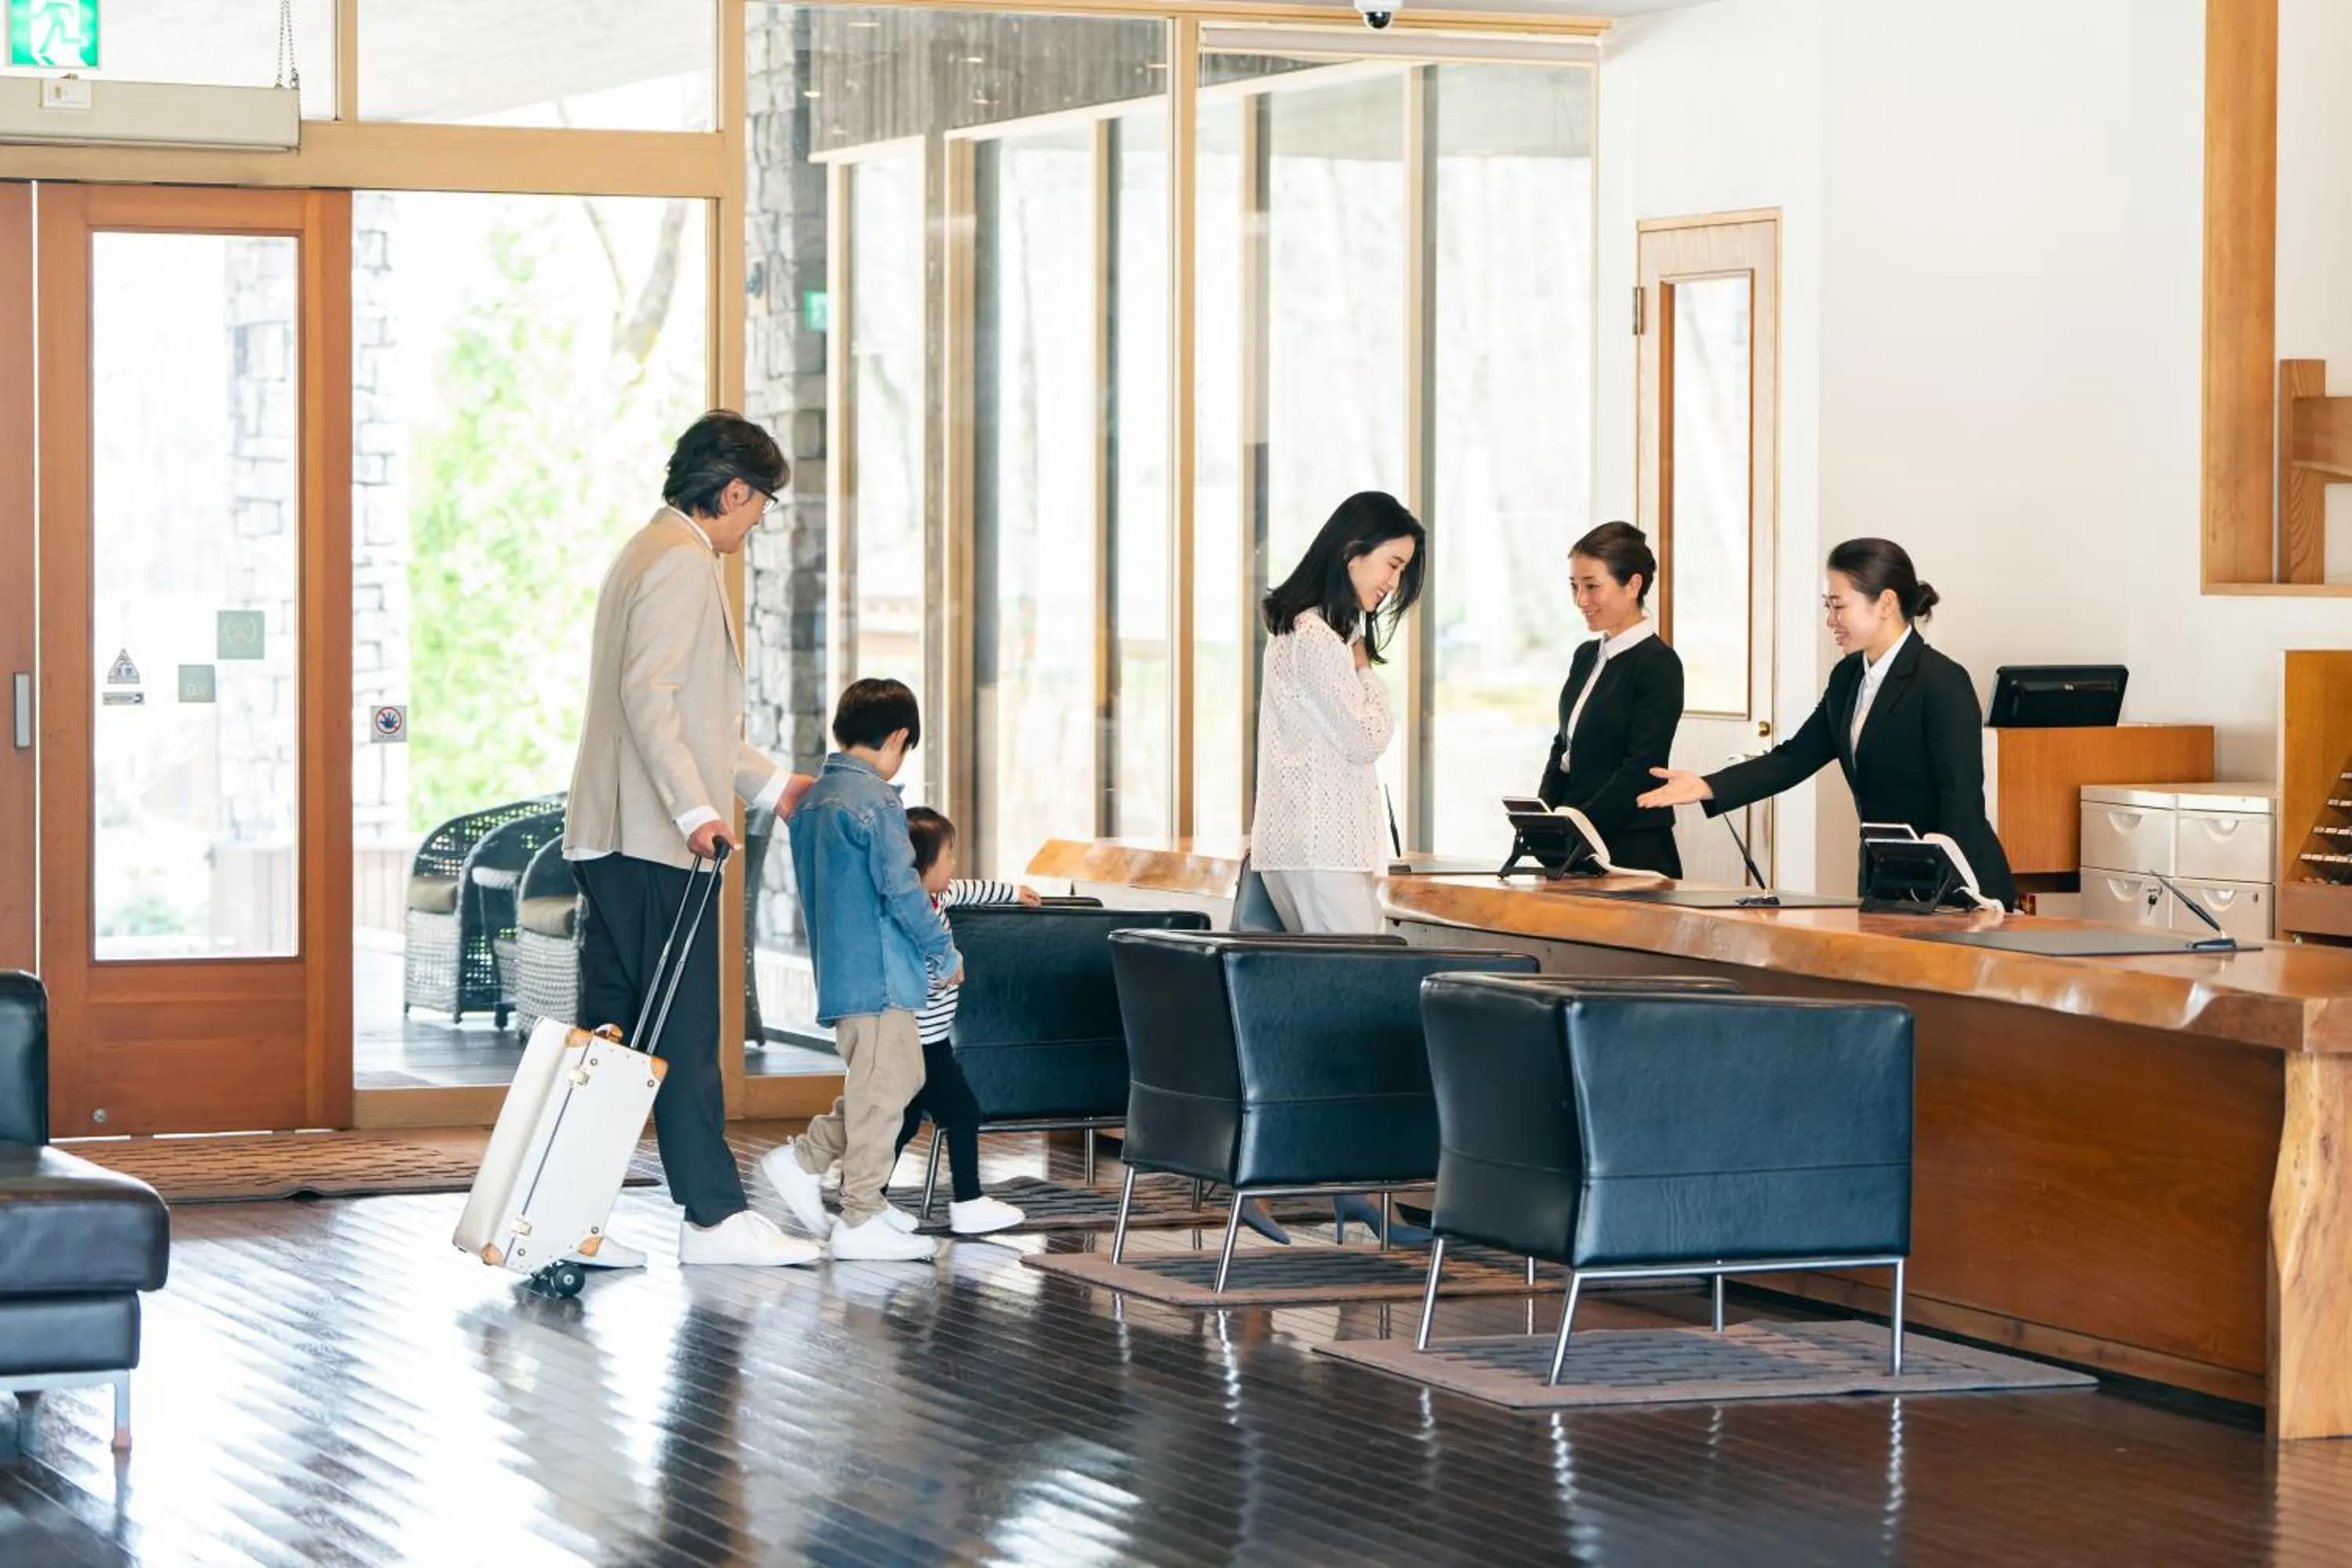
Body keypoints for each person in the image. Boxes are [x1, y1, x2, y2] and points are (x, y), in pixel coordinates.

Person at [564, 408, 820, 1269]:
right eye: (762, 504)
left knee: (610, 1038)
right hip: (654, 841)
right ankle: (712, 1217)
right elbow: (651, 699)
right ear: (735, 489)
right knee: (683, 1035)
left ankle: (565, 1217)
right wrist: (694, 813)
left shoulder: (646, 548)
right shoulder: (681, 562)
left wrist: (772, 784)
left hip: (611, 836)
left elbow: (682, 713)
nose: (759, 521)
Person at [1637, 537, 2017, 908]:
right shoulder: (1848, 677)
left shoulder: (1941, 680)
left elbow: (1962, 799)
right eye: (1827, 606)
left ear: (1886, 602)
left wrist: (1956, 893)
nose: (1830, 621)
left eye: (1839, 606)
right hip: (1889, 880)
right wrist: (1707, 785)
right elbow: (1794, 759)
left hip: (1957, 885)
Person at [1248, 490, 1427, 1243]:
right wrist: (1369, 669)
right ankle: (1323, 1184)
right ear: (1352, 550)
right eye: (1389, 565)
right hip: (1323, 851)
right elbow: (1365, 738)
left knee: (1328, 1020)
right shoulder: (1320, 639)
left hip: (1301, 848)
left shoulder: (1292, 635)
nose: (1390, 583)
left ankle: (1355, 1190)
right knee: (1363, 1016)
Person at [764, 678, 963, 1263]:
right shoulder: (877, 802)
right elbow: (903, 892)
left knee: (892, 1083)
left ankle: (808, 1162)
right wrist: (944, 954)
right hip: (881, 973)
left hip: (844, 970)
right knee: (885, 1090)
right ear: (899, 737)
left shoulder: (813, 801)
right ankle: (859, 1213)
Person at [870, 806, 1036, 1238]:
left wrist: (1011, 892)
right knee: (962, 1112)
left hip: (930, 1040)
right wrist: (943, 968)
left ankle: (872, 1201)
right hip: (920, 1042)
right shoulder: (909, 916)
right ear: (921, 866)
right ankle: (967, 1202)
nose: (954, 864)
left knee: (903, 1123)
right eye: (947, 855)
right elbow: (909, 970)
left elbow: (967, 889)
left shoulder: (934, 897)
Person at [1536, 522, 1685, 877]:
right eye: (1574, 587)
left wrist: (1578, 827)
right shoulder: (1586, 655)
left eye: (1592, 587)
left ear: (1633, 585)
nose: (1580, 600)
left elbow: (1640, 766)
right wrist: (1544, 816)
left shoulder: (1658, 664)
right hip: (1575, 843)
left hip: (1629, 847)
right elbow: (1563, 746)